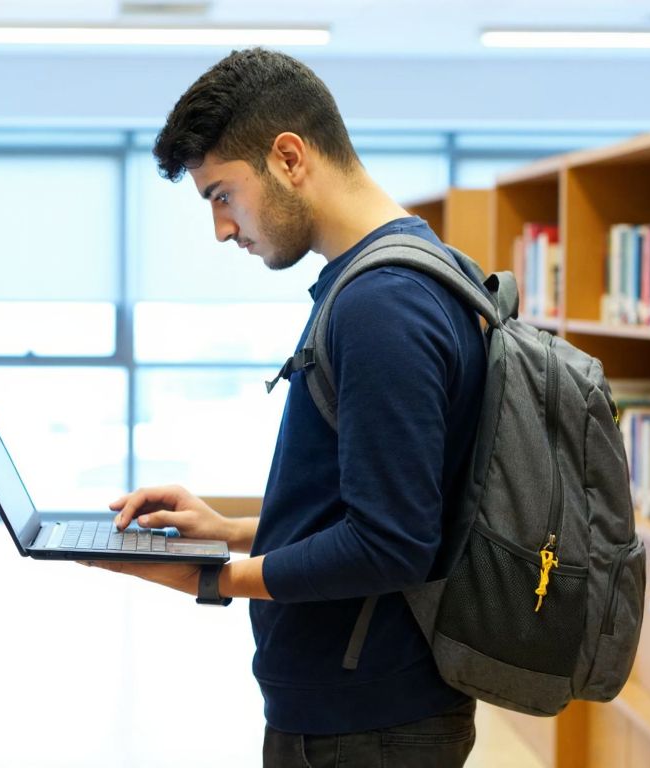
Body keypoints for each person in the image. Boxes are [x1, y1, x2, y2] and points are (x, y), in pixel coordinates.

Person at [86, 48, 488, 768]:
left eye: (221, 195)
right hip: (361, 707)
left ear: (290, 157)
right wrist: (235, 530)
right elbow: (384, 503)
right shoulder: (392, 276)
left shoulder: (381, 305)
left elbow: (390, 543)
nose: (221, 228)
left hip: (366, 724)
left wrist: (214, 576)